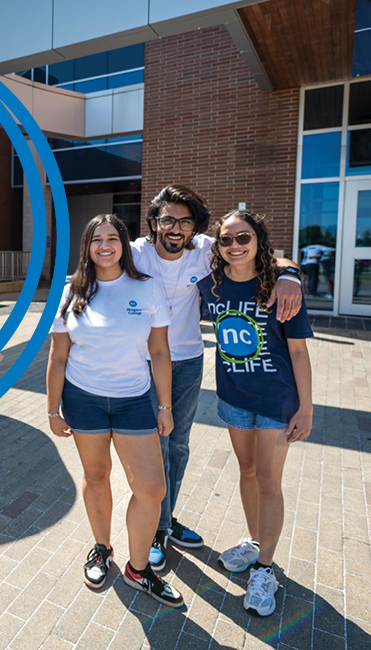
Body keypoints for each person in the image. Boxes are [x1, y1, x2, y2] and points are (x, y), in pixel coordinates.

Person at [130, 186, 302, 573]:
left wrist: (290, 275)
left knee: (178, 445)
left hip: (188, 361)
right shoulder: (136, 252)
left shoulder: (207, 248)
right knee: (153, 448)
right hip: (142, 363)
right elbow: (96, 267)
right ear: (154, 221)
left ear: (194, 226)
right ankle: (156, 529)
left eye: (185, 220)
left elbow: (261, 253)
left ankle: (167, 520)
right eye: (167, 219)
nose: (175, 228)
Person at [45, 213, 186, 609]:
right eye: (95, 238)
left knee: (152, 489)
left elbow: (160, 352)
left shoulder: (146, 289)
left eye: (112, 238)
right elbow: (58, 357)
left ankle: (139, 569)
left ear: (124, 244)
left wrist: (165, 406)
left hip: (135, 398)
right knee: (96, 476)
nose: (104, 245)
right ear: (86, 246)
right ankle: (101, 549)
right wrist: (53, 410)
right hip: (83, 398)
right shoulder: (70, 291)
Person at [199, 210, 315, 618]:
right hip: (233, 399)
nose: (234, 246)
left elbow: (299, 352)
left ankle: (265, 569)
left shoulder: (281, 289)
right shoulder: (209, 287)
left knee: (269, 481)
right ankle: (253, 542)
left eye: (243, 237)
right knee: (247, 473)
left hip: (276, 403)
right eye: (226, 240)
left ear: (258, 240)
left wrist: (306, 406)